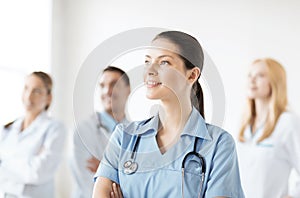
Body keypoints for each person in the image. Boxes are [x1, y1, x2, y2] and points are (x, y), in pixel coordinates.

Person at [93, 30, 245, 198]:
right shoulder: (124, 137)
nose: (150, 70)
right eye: (147, 61)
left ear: (192, 75)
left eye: (164, 62)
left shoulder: (219, 144)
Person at [237, 58, 300, 198]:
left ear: (275, 81)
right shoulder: (244, 124)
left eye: (260, 75)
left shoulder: (287, 122)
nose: (252, 80)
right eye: (250, 75)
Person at [0, 71, 66, 198]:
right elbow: (29, 171)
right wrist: (27, 163)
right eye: (26, 88)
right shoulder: (7, 129)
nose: (29, 96)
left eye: (37, 91)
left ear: (48, 98)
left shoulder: (55, 129)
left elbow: (38, 172)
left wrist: (4, 164)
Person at [71, 66, 131, 198]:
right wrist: (123, 172)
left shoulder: (137, 133)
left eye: (114, 84)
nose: (107, 91)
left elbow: (138, 181)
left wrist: (104, 169)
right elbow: (87, 180)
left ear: (128, 89)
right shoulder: (84, 130)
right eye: (102, 85)